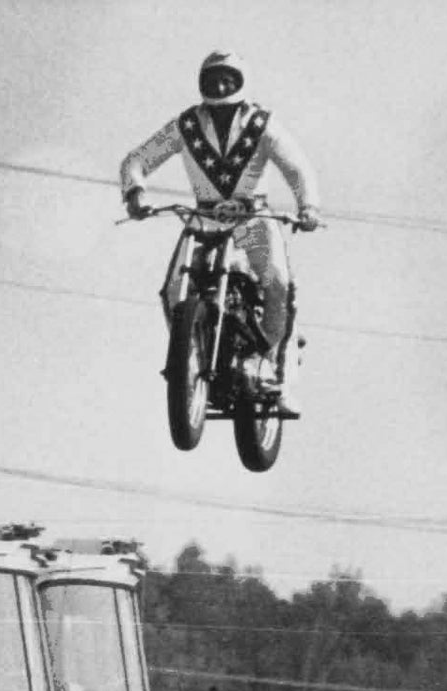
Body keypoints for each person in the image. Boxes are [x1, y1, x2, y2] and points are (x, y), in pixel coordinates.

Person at [120, 50, 322, 417]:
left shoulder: (262, 123)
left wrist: (308, 207)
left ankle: (273, 370)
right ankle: (190, 359)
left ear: (241, 82)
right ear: (201, 82)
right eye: (213, 79)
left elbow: (296, 166)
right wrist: (135, 193)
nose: (220, 86)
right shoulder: (185, 125)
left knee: (276, 282)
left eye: (228, 78)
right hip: (203, 218)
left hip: (252, 219)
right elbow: (138, 159)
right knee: (172, 290)